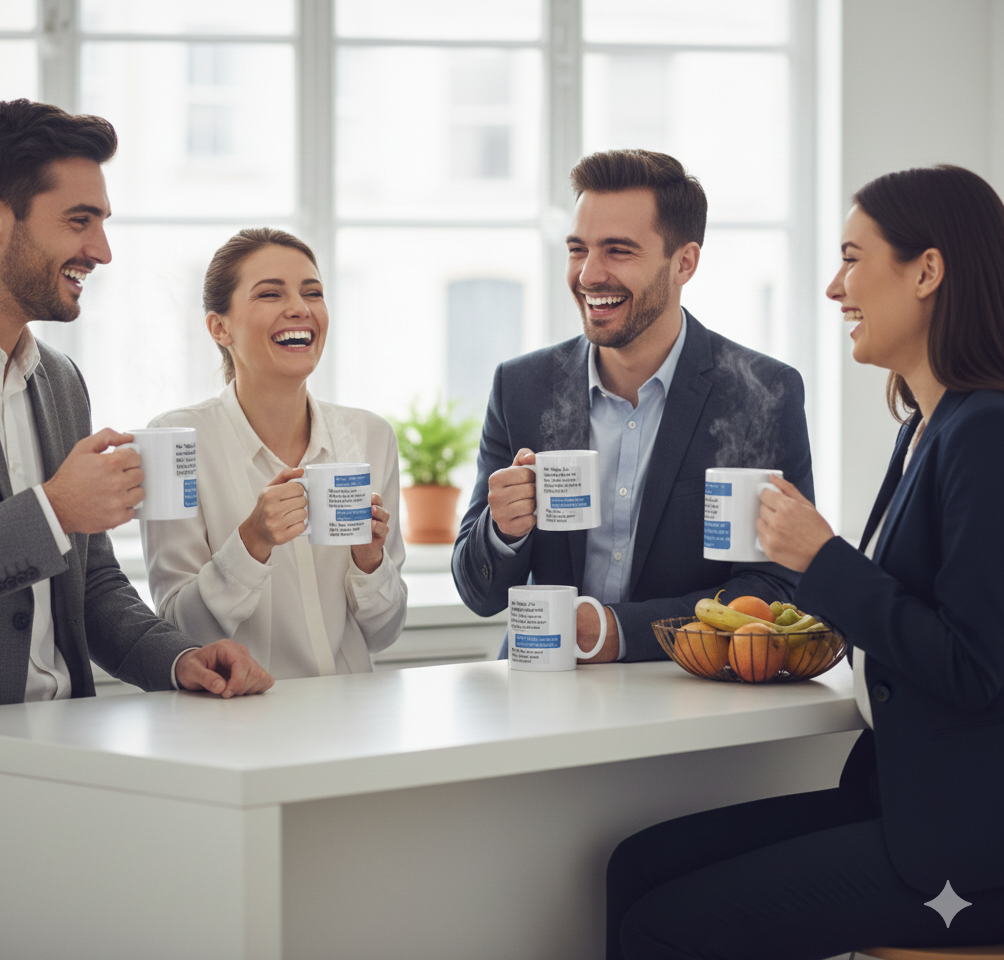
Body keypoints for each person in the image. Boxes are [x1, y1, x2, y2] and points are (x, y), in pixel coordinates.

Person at [606, 165, 1004, 959]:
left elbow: (975, 666)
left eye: (854, 258)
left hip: (964, 852)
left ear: (927, 271)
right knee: (636, 866)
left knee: (663, 926)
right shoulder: (928, 425)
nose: (834, 287)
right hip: (906, 805)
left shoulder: (986, 432)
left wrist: (822, 558)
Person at [0, 99, 273, 712]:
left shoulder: (59, 379)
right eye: (80, 220)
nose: (102, 250)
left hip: (66, 743)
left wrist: (179, 657)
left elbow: (92, 583)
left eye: (103, 222)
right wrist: (51, 510)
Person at [451, 149, 813, 662]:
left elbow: (777, 587)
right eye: (578, 249)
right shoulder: (522, 387)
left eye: (618, 251)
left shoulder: (763, 393)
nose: (589, 275)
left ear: (684, 262)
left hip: (686, 700)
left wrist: (620, 631)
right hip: (538, 693)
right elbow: (478, 593)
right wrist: (503, 531)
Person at [140, 228, 406, 678]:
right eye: (270, 294)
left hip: (352, 721)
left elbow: (383, 633)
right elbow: (177, 630)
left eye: (313, 292)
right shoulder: (172, 443)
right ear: (219, 327)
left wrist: (371, 563)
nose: (300, 308)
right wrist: (252, 542)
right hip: (236, 723)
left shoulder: (370, 436)